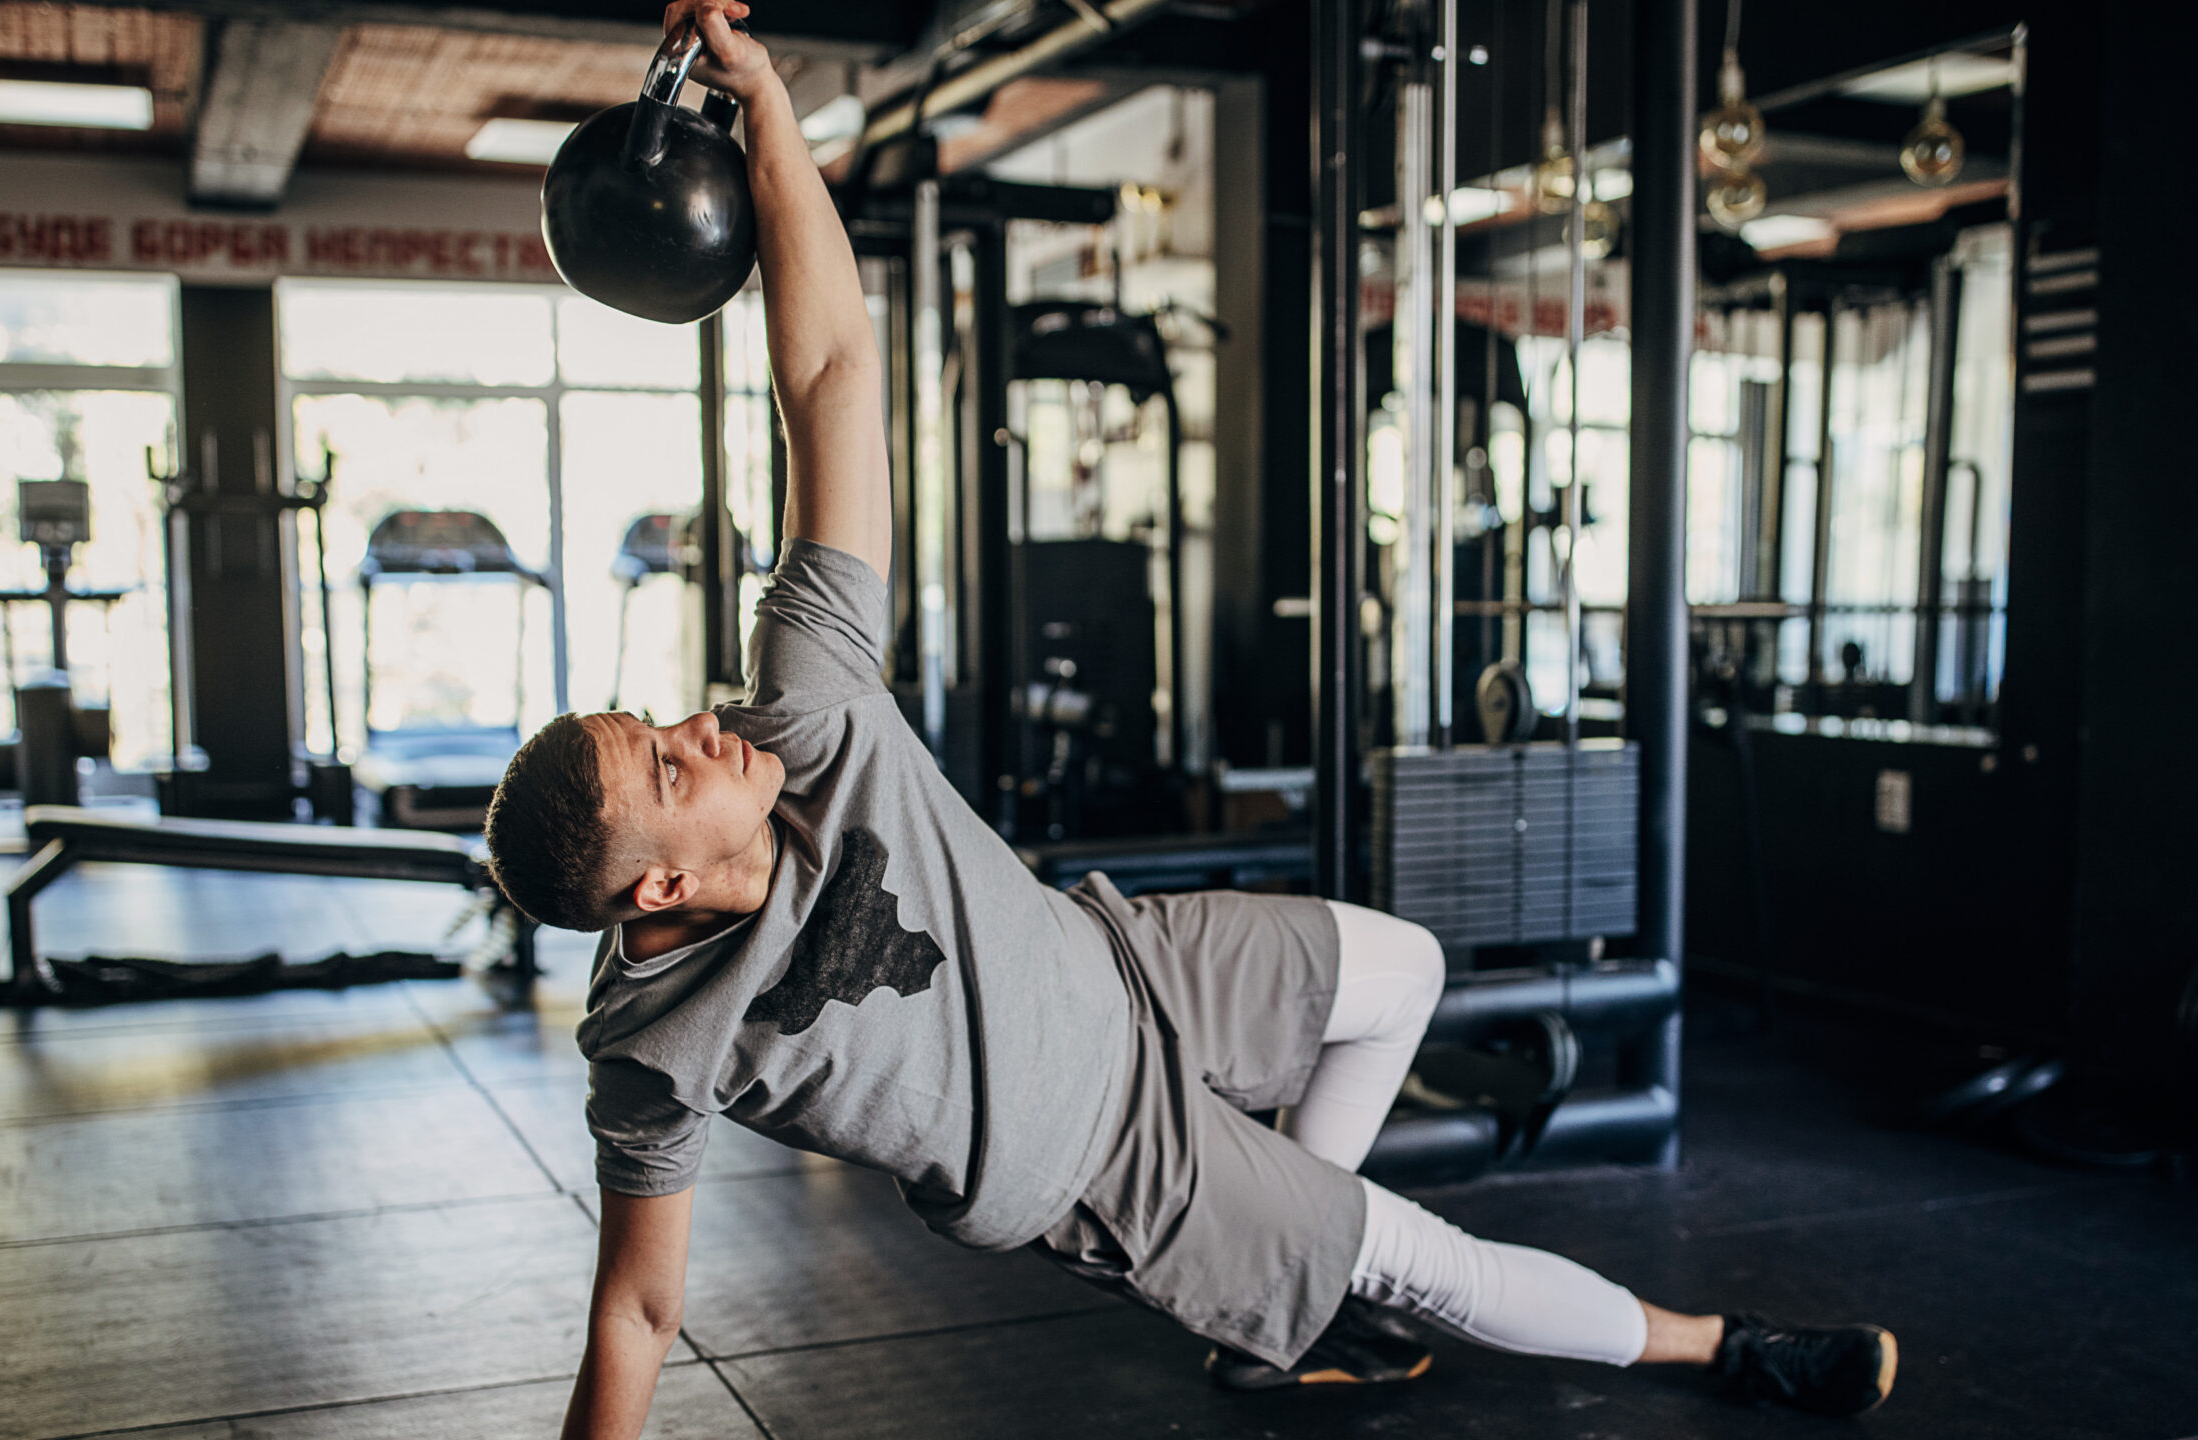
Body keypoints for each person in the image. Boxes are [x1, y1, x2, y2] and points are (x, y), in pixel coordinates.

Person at [485, 6, 1899, 1436]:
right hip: (1108, 1159)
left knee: (1398, 971)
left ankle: (1288, 1291)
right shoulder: (659, 1049)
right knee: (1430, 1264)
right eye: (666, 762)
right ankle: (1724, 1346)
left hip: (1119, 957)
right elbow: (638, 1311)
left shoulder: (800, 705)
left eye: (656, 717)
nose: (697, 728)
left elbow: (834, 376)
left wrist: (773, 115)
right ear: (658, 883)